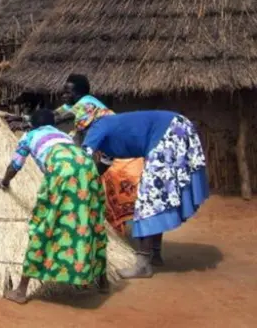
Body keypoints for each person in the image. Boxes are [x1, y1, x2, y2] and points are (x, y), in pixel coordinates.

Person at [0, 108, 109, 304]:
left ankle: (21, 291)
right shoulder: (63, 135)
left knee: (44, 223)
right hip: (88, 167)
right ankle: (103, 281)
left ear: (32, 124)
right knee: (92, 220)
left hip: (62, 169)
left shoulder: (29, 136)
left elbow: (15, 165)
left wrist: (4, 182)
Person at [81, 110, 209, 279]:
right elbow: (102, 167)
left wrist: (75, 184)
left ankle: (143, 264)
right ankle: (155, 254)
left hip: (170, 132)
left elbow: (83, 156)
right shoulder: (112, 131)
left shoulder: (99, 126)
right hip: (179, 128)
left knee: (147, 202)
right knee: (156, 199)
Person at [55, 74, 150, 260]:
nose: (63, 95)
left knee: (131, 202)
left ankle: (145, 254)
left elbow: (58, 119)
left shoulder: (87, 104)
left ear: (81, 93)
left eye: (68, 92)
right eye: (63, 91)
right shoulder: (74, 105)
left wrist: (28, 123)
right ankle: (142, 251)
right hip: (108, 158)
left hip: (122, 160)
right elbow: (55, 114)